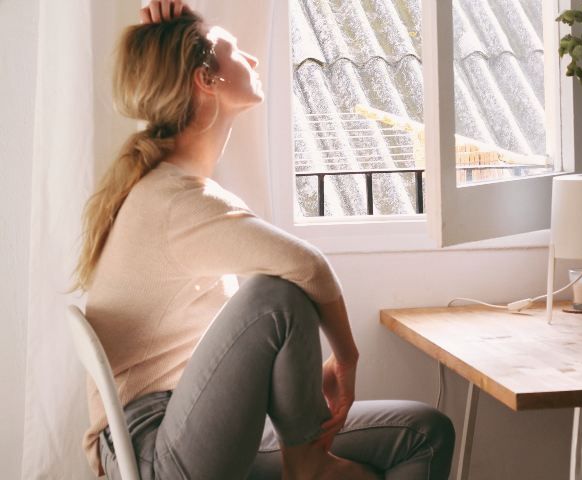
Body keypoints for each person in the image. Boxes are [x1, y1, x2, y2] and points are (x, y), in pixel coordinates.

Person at [68, 1, 455, 479]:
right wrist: (347, 358)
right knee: (276, 292)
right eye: (235, 50)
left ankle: (307, 456)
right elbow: (308, 267)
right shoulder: (171, 200)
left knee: (425, 433)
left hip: (191, 424)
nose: (252, 59)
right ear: (204, 80)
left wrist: (307, 386)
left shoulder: (177, 191)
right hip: (157, 450)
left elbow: (241, 353)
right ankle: (308, 461)